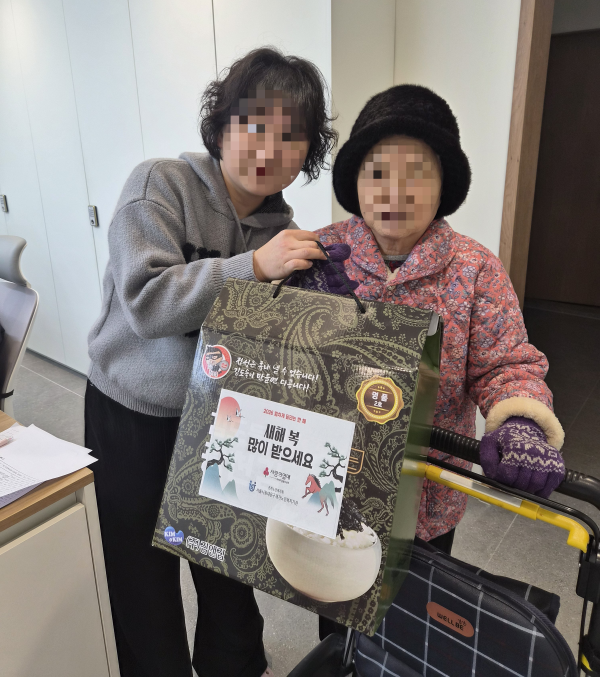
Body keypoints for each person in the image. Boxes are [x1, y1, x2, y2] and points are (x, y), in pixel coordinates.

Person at [85, 47, 336, 677]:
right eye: (254, 124)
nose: (269, 148)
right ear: (221, 127)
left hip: (222, 423)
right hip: (132, 414)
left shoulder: (283, 231)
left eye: (291, 136)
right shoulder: (159, 185)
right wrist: (252, 268)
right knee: (142, 579)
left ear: (307, 154)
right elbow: (147, 302)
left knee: (227, 568)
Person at [310, 85, 565, 636]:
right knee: (336, 615)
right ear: (355, 182)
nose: (394, 191)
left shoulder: (474, 267)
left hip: (426, 492)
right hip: (333, 481)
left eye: (416, 173)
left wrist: (520, 421)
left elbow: (507, 363)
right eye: (378, 173)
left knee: (410, 625)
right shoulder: (321, 252)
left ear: (444, 183)